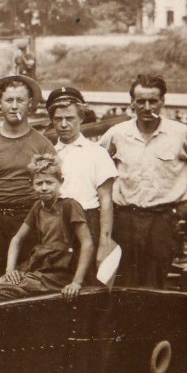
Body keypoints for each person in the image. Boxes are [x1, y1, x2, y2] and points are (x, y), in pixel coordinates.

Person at [98, 74, 187, 288]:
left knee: (155, 283)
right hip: (125, 219)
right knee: (121, 281)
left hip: (162, 220)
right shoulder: (118, 134)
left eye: (153, 101)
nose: (147, 107)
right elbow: (95, 164)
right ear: (132, 103)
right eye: (141, 101)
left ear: (163, 101)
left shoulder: (180, 133)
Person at [0, 74, 55, 296]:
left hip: (29, 223)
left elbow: (51, 193)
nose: (14, 106)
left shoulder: (43, 144)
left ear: (30, 104)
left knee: (27, 284)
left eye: (20, 100)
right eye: (9, 100)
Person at [0, 154, 94, 302]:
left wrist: (76, 282)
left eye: (49, 182)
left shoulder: (69, 206)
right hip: (42, 268)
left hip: (61, 273)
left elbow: (87, 243)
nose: (44, 188)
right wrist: (10, 270)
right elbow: (17, 239)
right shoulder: (38, 207)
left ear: (61, 182)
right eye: (39, 183)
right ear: (32, 184)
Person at [46, 86, 118, 266]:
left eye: (70, 118)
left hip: (88, 223)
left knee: (87, 277)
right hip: (55, 226)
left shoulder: (97, 153)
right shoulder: (48, 154)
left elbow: (106, 201)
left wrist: (104, 243)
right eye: (58, 119)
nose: (64, 124)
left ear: (81, 118)